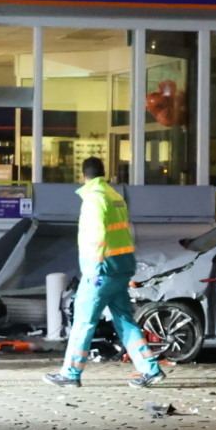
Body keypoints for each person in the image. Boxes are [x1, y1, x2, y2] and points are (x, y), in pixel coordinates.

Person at [44, 156, 166, 389]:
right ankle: (150, 369)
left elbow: (98, 235)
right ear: (104, 173)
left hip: (101, 271)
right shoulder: (115, 195)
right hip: (121, 267)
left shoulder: (94, 197)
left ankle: (70, 373)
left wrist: (93, 269)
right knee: (124, 321)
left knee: (83, 322)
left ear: (82, 175)